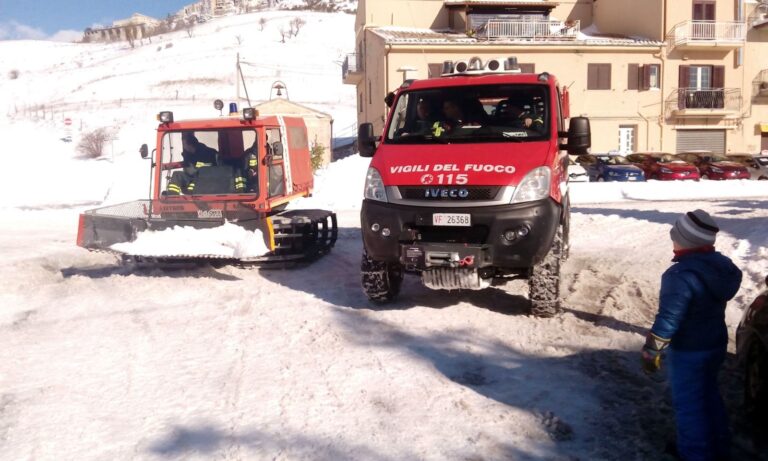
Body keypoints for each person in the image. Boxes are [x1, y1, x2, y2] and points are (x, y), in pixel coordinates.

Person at [641, 209, 742, 461]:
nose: (673, 242)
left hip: (689, 351)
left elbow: (669, 319)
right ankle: (719, 446)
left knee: (689, 407)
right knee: (708, 396)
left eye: (675, 237)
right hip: (714, 345)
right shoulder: (723, 268)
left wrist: (653, 350)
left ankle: (694, 454)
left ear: (686, 241)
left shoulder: (680, 276)